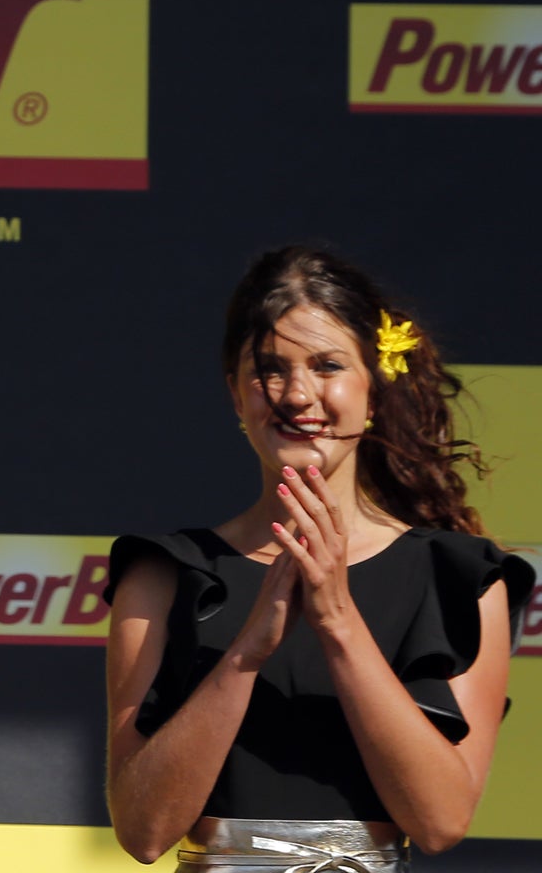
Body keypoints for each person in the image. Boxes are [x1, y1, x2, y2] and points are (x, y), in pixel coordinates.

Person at [104, 246, 534, 870]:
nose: (298, 394)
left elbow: (441, 822)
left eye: (328, 365)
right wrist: (246, 652)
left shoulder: (458, 579)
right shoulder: (166, 575)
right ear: (235, 394)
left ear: (374, 391)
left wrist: (337, 621)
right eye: (270, 369)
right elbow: (143, 831)